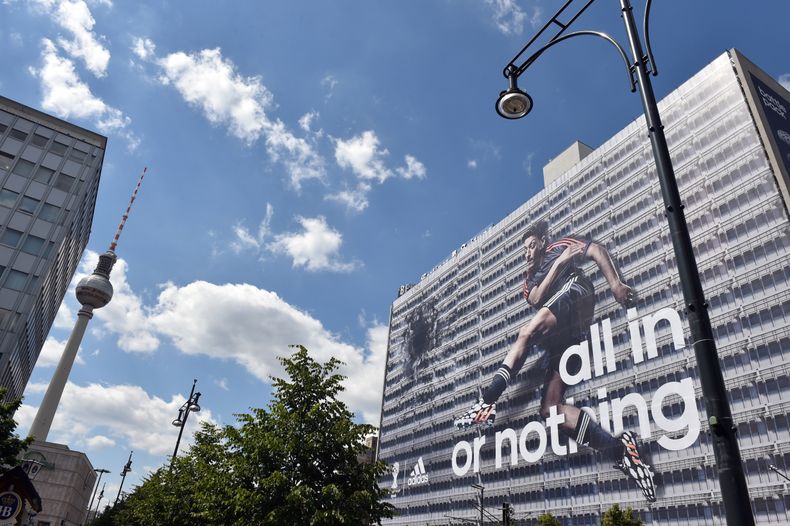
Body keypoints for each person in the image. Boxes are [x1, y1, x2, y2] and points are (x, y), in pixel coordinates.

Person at [453, 220, 657, 503]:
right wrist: (559, 264)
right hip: (568, 332)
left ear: (543, 242)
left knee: (526, 332)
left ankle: (487, 401)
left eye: (532, 245)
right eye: (524, 249)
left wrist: (614, 283)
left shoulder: (556, 246)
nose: (528, 252)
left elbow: (596, 249)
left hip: (576, 292)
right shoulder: (530, 280)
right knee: (550, 410)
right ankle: (619, 450)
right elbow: (536, 298)